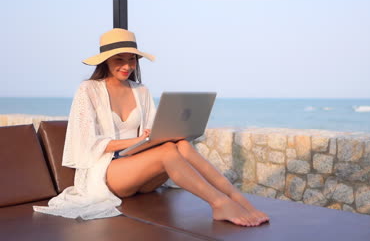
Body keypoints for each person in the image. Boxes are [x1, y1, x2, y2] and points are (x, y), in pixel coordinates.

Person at [33, 28, 269, 227]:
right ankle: (219, 204)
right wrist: (135, 142)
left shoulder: (141, 91)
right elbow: (86, 143)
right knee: (168, 151)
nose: (127, 66)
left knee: (181, 144)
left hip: (139, 170)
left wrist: (157, 136)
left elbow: (151, 133)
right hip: (106, 172)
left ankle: (235, 196)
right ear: (106, 60)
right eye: (119, 59)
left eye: (132, 59)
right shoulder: (89, 90)